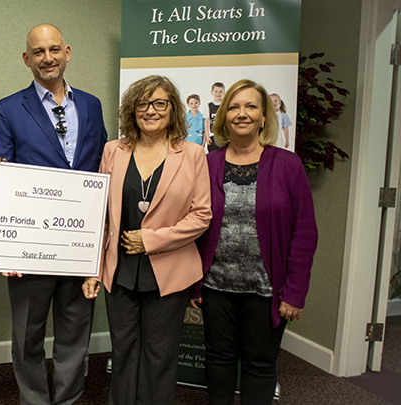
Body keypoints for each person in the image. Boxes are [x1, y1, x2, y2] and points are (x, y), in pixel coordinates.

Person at [0, 24, 107, 405]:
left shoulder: (91, 105)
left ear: (67, 52)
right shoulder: (7, 109)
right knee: (28, 335)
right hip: (29, 245)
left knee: (76, 333)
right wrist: (6, 246)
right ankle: (35, 401)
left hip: (79, 243)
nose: (47, 58)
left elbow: (102, 168)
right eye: (38, 52)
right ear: (27, 59)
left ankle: (68, 399)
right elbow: (0, 180)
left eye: (54, 49)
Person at [83, 75, 212, 404]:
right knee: (123, 352)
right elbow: (100, 215)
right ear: (132, 109)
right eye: (143, 104)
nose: (150, 111)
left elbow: (201, 216)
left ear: (172, 109)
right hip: (120, 270)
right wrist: (93, 270)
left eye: (159, 103)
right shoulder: (114, 150)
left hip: (168, 272)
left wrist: (151, 240)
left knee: (160, 355)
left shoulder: (193, 154)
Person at [192, 79, 317, 404]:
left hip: (266, 291)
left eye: (250, 106)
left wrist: (295, 293)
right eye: (234, 106)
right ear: (223, 116)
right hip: (216, 287)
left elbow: (305, 232)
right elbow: (195, 227)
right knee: (218, 360)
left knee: (260, 365)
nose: (241, 113)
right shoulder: (208, 165)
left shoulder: (287, 165)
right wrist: (194, 283)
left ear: (264, 116)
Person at [206, 82, 225, 152]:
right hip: (212, 135)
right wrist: (207, 136)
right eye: (216, 91)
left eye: (220, 91)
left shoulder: (225, 105)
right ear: (212, 92)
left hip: (223, 135)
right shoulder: (209, 106)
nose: (218, 94)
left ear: (224, 92)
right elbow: (206, 121)